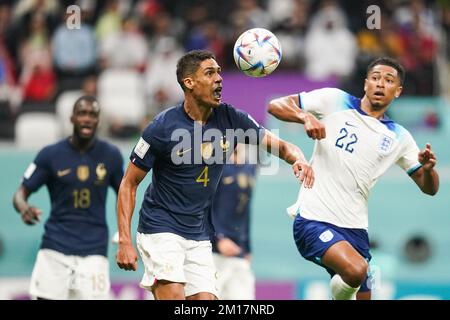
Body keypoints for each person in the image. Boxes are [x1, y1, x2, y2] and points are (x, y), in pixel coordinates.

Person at [115, 49, 314, 300]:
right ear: (189, 83)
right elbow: (129, 184)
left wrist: (299, 159)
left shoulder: (231, 119)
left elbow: (283, 147)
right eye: (210, 73)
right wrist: (124, 240)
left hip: (198, 233)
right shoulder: (162, 127)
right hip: (160, 227)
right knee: (175, 295)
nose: (219, 78)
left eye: (219, 72)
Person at [268, 57, 439, 300]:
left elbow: (429, 188)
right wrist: (304, 117)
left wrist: (429, 169)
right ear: (366, 83)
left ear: (398, 91)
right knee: (357, 270)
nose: (381, 84)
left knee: (360, 282)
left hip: (356, 230)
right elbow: (276, 105)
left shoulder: (399, 137)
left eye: (389, 80)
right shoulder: (333, 100)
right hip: (314, 219)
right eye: (376, 78)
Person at [13, 96, 124, 300]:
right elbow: (20, 193)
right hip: (55, 246)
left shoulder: (111, 155)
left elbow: (125, 196)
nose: (87, 119)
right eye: (82, 113)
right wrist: (23, 207)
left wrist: (124, 233)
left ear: (98, 120)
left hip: (94, 249)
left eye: (92, 115)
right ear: (72, 118)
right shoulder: (50, 154)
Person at [211, 144, 257, 300]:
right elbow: (203, 206)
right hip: (212, 251)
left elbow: (246, 208)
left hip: (238, 250)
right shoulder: (214, 165)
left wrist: (247, 247)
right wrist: (219, 238)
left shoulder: (250, 168)